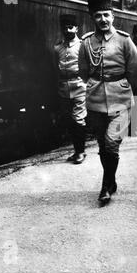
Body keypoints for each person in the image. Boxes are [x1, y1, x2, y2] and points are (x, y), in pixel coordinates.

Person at [78, 0, 137, 204]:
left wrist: (126, 91)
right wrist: (97, 84)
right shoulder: (86, 42)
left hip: (121, 100)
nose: (103, 20)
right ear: (92, 18)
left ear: (113, 16)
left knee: (111, 143)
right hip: (95, 100)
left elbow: (134, 70)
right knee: (102, 146)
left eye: (106, 15)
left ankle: (105, 186)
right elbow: (83, 70)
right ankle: (111, 181)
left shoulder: (124, 41)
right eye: (98, 16)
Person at [54, 14, 87, 164]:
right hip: (63, 88)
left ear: (76, 28)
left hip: (80, 86)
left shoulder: (82, 46)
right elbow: (56, 67)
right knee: (69, 120)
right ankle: (76, 151)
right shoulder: (58, 47)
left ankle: (81, 152)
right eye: (64, 27)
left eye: (70, 27)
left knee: (78, 120)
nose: (67, 30)